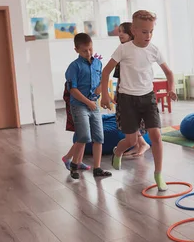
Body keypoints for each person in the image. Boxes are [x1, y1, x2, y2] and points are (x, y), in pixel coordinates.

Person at [100, 10, 177, 191]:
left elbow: (169, 73)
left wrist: (171, 89)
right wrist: (104, 95)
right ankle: (118, 151)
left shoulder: (154, 50)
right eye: (144, 32)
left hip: (147, 98)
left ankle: (158, 174)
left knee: (156, 137)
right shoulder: (124, 49)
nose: (148, 36)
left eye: (151, 31)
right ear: (134, 30)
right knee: (131, 141)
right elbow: (106, 72)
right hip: (127, 99)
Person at [65, 33, 112, 179]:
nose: (89, 53)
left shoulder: (98, 63)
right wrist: (88, 102)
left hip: (94, 104)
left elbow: (102, 81)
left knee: (99, 137)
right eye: (85, 50)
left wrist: (104, 94)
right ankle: (73, 164)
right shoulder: (74, 67)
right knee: (84, 135)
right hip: (80, 105)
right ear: (77, 50)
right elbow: (73, 90)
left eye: (90, 49)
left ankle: (97, 168)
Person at [114, 22, 151, 157]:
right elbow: (119, 75)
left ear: (131, 33)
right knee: (127, 121)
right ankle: (138, 144)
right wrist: (116, 91)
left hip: (136, 94)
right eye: (119, 32)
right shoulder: (121, 50)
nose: (120, 34)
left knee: (133, 120)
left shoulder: (136, 50)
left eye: (122, 31)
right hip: (124, 92)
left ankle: (141, 144)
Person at [61, 82, 90, 173]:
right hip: (76, 108)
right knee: (83, 135)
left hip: (84, 107)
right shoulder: (73, 79)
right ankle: (67, 157)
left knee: (83, 134)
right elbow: (70, 96)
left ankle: (78, 161)